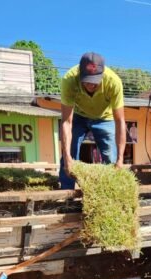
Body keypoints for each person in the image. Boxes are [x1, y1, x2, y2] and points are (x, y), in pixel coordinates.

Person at [59, 52, 126, 189]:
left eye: (95, 81)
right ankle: (66, 195)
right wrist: (66, 158)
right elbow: (66, 122)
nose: (90, 85)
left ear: (103, 74)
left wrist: (120, 159)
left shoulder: (114, 82)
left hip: (104, 117)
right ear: (79, 73)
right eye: (87, 80)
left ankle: (111, 193)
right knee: (69, 154)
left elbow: (120, 121)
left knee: (111, 158)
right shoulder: (69, 80)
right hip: (78, 115)